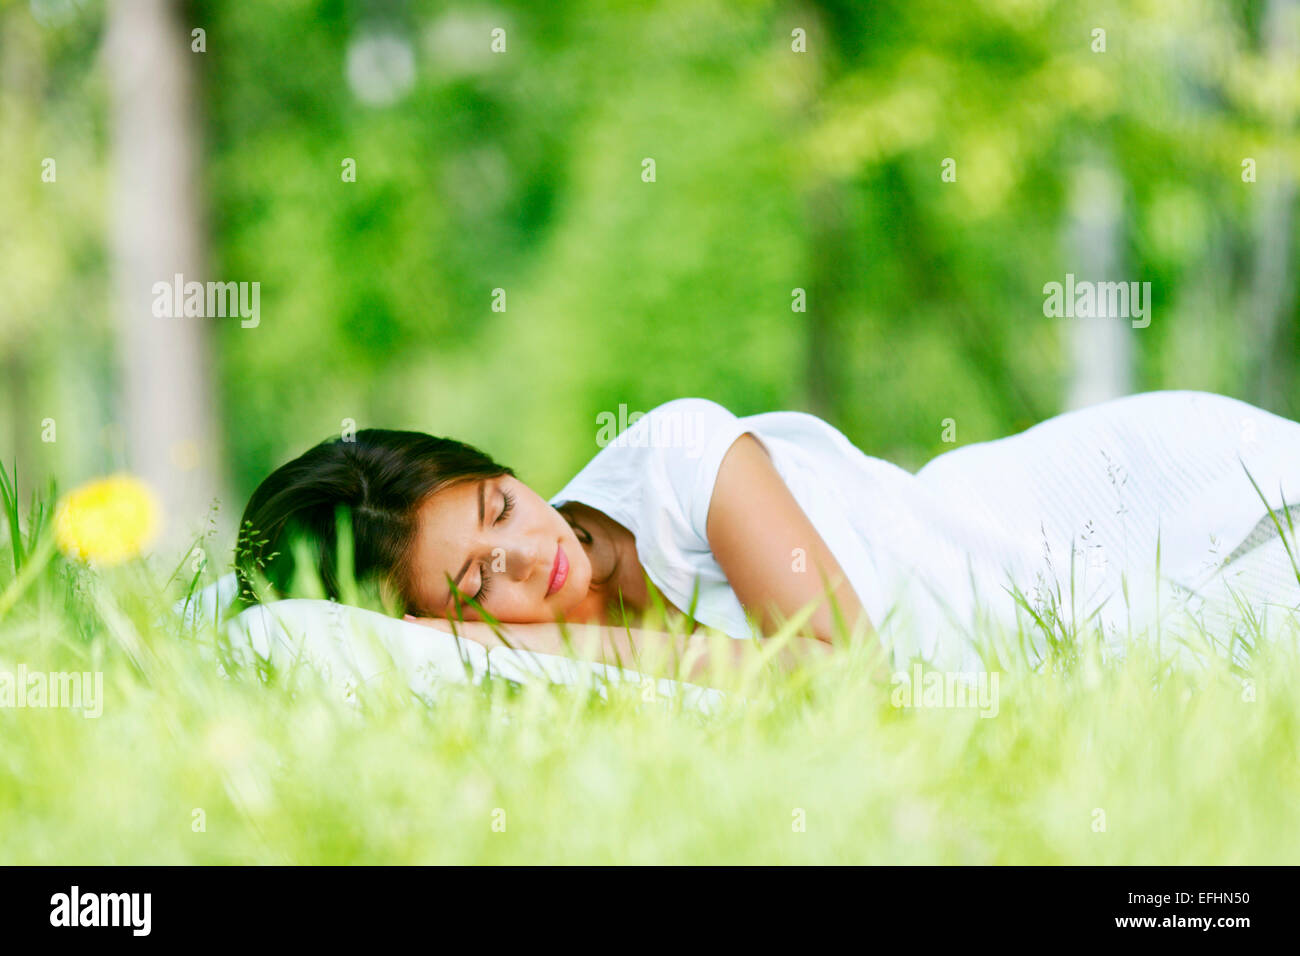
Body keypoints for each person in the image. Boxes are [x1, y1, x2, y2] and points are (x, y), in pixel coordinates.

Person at [235, 392, 1300, 678]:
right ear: (430, 625)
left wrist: (561, 635)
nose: (529, 551)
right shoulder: (531, 686)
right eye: (477, 583)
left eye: (498, 504)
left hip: (1085, 516)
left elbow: (844, 683)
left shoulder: (682, 459)